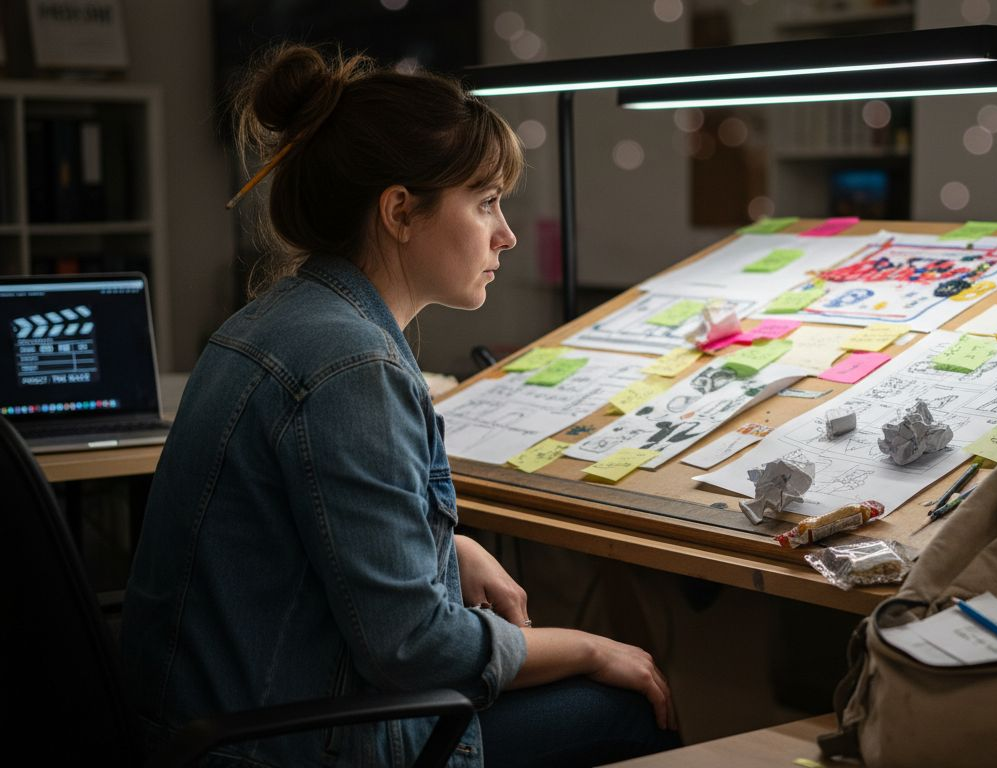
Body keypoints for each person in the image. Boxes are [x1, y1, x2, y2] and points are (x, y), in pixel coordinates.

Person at [120, 44, 679, 768]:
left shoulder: (274, 320)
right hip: (280, 749)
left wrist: (449, 548)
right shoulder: (353, 367)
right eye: (485, 203)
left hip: (212, 729)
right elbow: (417, 649)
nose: (505, 233)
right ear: (399, 212)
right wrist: (590, 647)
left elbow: (320, 535)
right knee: (629, 707)